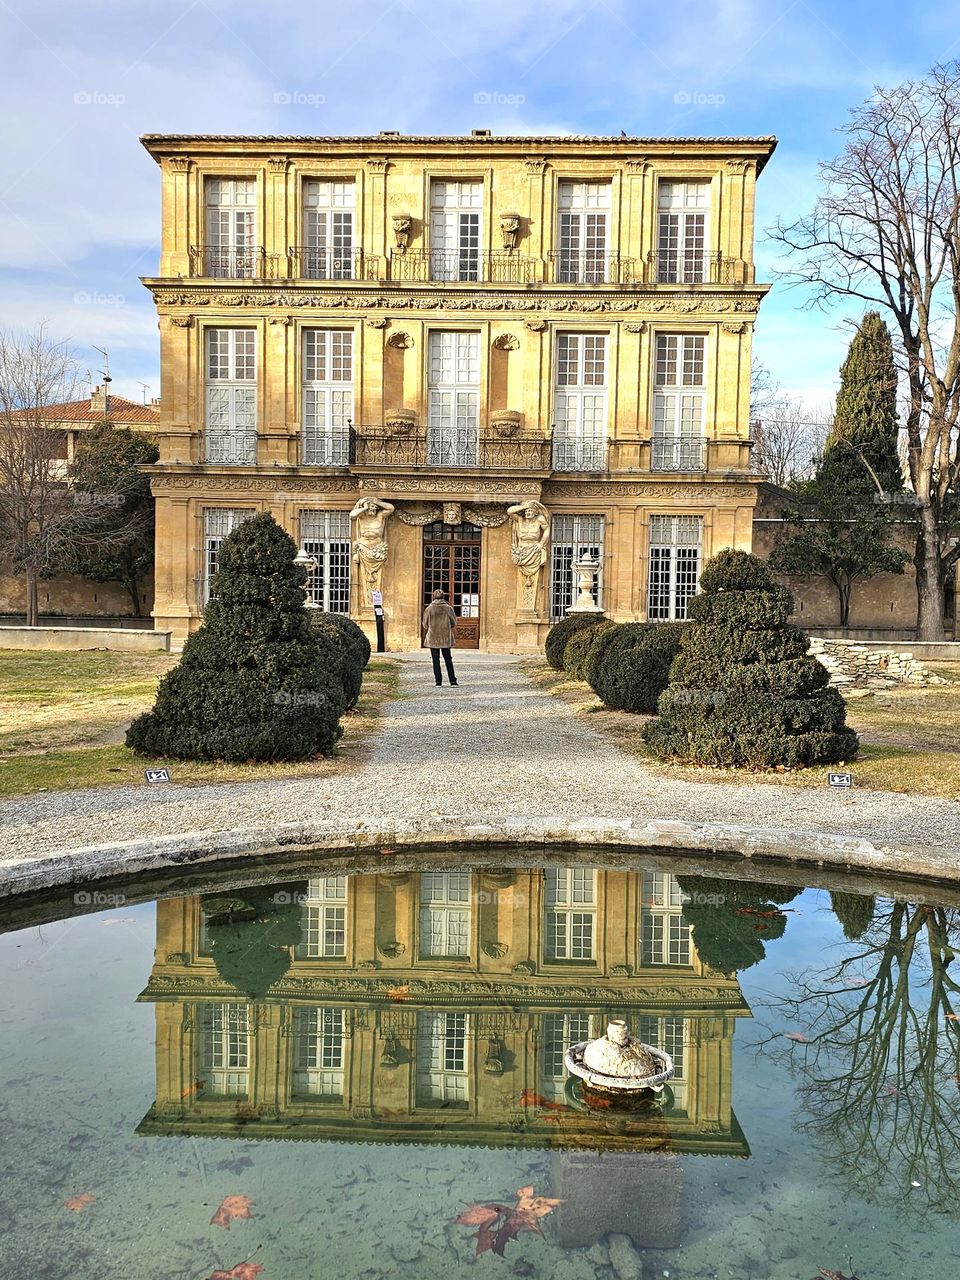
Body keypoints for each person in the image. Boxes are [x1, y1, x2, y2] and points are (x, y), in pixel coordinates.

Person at [422, 589, 458, 687]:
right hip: (445, 637)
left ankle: (438, 682)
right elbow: (454, 622)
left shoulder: (429, 609)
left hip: (433, 637)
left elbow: (425, 625)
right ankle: (453, 681)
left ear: (434, 596)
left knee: (435, 660)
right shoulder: (448, 608)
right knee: (448, 659)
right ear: (443, 596)